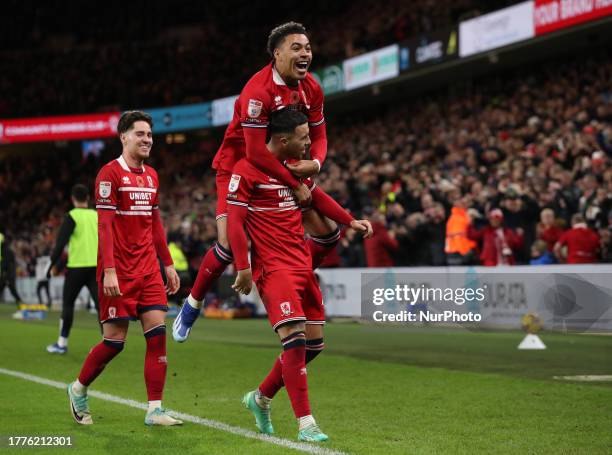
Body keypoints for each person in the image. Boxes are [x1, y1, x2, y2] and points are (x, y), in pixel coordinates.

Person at [173, 22, 338, 342]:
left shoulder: (312, 88)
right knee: (227, 247)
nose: (305, 53)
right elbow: (253, 153)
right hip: (238, 168)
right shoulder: (257, 92)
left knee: (328, 233)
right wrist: (294, 181)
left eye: (307, 47)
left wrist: (316, 163)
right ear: (276, 54)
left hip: (281, 166)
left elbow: (319, 135)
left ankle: (290, 270)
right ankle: (192, 303)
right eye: (296, 47)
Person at [227, 110, 372, 441]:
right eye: (303, 136)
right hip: (273, 269)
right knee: (294, 342)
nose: (309, 142)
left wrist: (351, 221)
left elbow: (317, 198)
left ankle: (260, 398)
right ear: (282, 140)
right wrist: (244, 266)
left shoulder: (296, 170)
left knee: (314, 345)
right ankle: (306, 424)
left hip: (301, 265)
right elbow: (234, 221)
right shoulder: (246, 172)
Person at [66, 111, 182, 426]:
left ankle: (154, 409)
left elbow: (155, 224)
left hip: (148, 270)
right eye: (140, 134)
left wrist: (167, 263)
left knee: (158, 337)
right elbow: (105, 227)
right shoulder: (109, 174)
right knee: (115, 342)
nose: (147, 140)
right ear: (124, 137)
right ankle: (78, 389)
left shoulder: (153, 176)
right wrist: (110, 270)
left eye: (150, 135)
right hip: (118, 270)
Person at [46, 184, 99, 354]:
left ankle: (61, 344)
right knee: (101, 306)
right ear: (88, 198)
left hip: (76, 268)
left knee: (68, 305)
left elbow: (61, 244)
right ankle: (108, 343)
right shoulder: (96, 215)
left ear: (72, 199)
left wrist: (52, 265)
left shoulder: (72, 216)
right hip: (96, 268)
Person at [0, 232, 24, 310]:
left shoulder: (5, 251)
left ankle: (20, 303)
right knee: (11, 290)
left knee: (12, 290)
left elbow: (5, 263)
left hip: (8, 274)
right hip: (7, 274)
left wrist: (5, 274)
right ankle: (20, 302)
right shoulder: (7, 250)